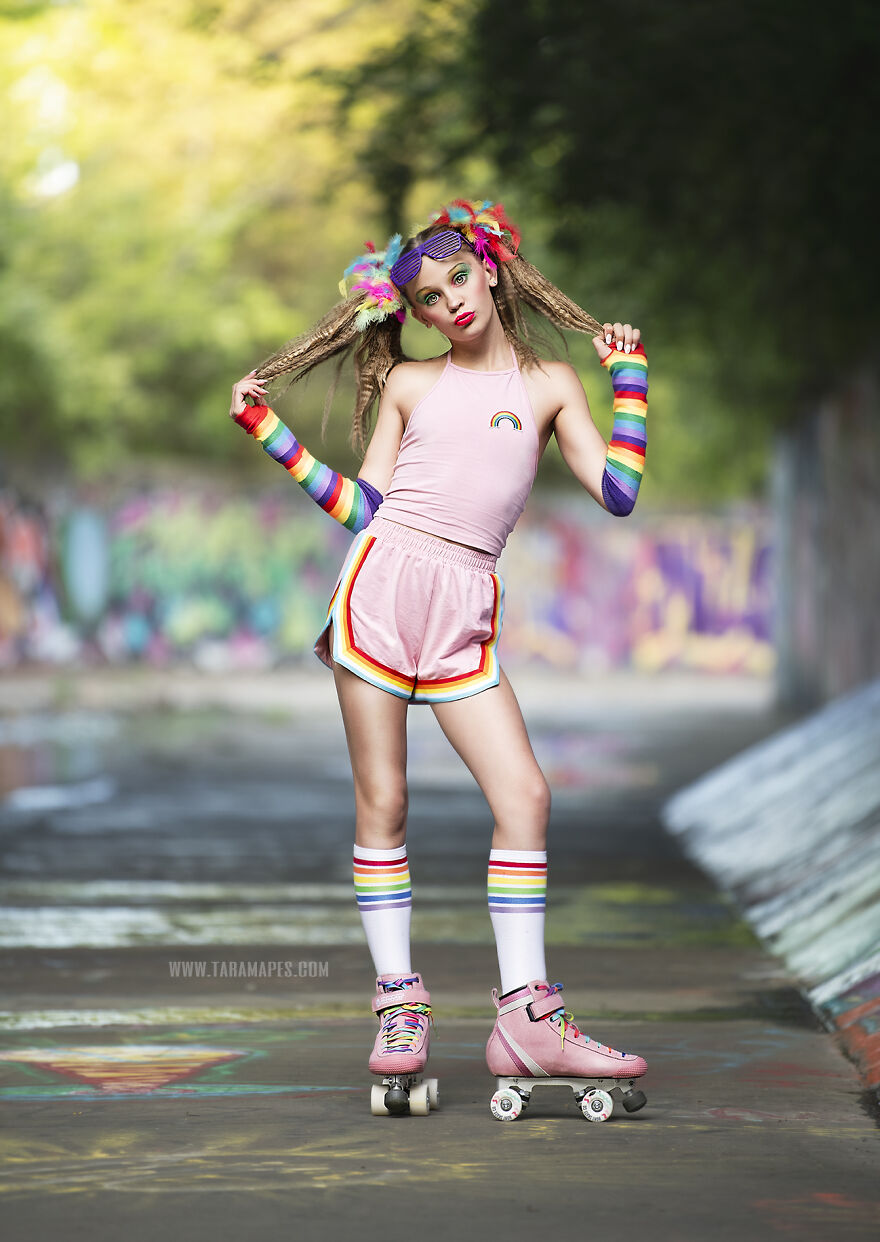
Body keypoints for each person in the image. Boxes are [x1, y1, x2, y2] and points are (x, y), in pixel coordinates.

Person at [229, 199, 649, 1116]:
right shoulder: (415, 387)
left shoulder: (549, 385)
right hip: (382, 590)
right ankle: (398, 1008)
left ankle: (527, 1019)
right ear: (412, 313)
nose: (449, 301)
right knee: (386, 801)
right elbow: (364, 509)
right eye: (427, 296)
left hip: (465, 605)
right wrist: (275, 437)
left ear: (491, 269)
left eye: (459, 278)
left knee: (525, 795)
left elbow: (617, 491)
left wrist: (629, 380)